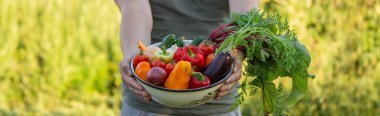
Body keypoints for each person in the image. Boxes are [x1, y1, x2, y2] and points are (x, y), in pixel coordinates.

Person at [115, 0, 259, 115]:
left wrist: (234, 56)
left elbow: (245, 16)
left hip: (216, 92)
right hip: (147, 92)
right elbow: (135, 7)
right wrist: (135, 56)